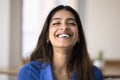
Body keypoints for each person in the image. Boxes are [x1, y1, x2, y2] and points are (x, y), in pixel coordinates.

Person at [18, 5, 103, 80]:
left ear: (79, 37)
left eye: (71, 23)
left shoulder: (94, 74)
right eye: (56, 23)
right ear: (47, 36)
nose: (64, 27)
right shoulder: (29, 72)